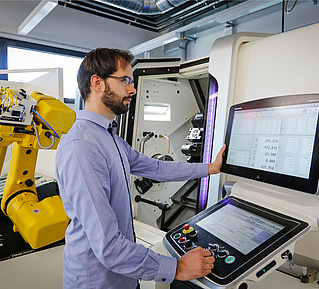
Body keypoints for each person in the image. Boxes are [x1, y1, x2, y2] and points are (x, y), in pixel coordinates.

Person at [55, 48, 226, 289]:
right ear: (97, 82)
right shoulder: (82, 146)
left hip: (123, 279)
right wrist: (176, 268)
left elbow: (157, 168)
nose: (132, 89)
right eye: (124, 80)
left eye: (132, 82)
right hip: (97, 283)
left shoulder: (109, 137)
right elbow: (108, 247)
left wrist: (209, 168)